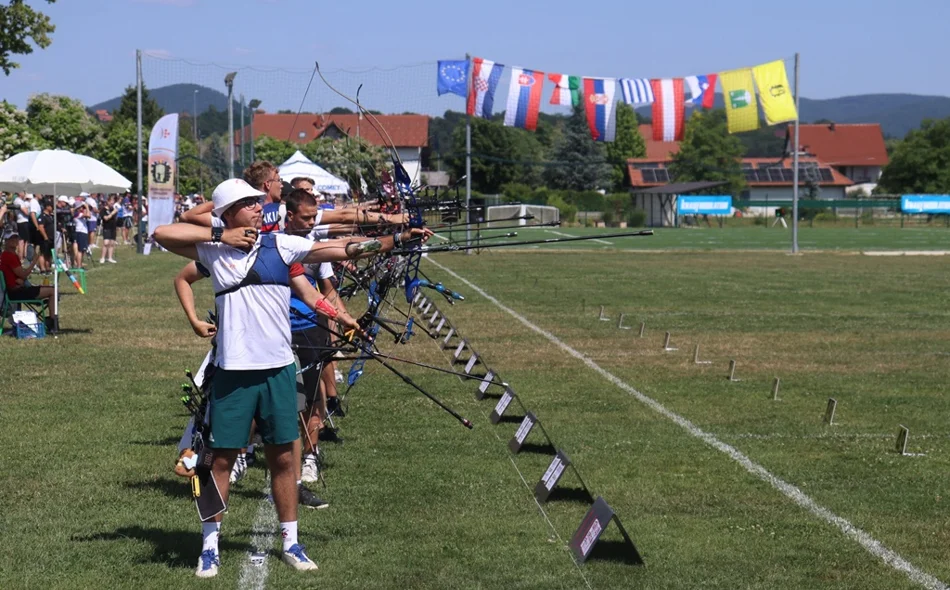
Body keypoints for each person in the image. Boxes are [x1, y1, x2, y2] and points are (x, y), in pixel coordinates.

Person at [154, 178, 431, 578]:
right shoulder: (213, 250)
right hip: (234, 373)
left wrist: (396, 238)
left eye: (255, 201)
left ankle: (291, 541)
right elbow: (162, 233)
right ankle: (210, 546)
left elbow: (342, 248)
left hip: (279, 370)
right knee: (221, 461)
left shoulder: (281, 245)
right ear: (229, 212)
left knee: (286, 458)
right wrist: (222, 233)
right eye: (247, 203)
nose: (257, 207)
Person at [1, 231, 57, 331]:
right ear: (6, 241)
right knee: (53, 291)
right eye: (11, 239)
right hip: (16, 292)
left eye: (16, 238)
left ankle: (51, 321)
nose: (14, 241)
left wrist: (21, 279)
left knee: (51, 290)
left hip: (17, 289)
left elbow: (20, 276)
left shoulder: (10, 255)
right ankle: (52, 323)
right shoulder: (9, 256)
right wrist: (34, 262)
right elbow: (23, 274)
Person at [100, 195, 120, 264]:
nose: (112, 203)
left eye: (113, 201)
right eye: (111, 201)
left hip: (113, 227)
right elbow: (105, 218)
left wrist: (115, 213)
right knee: (106, 243)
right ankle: (102, 257)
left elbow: (115, 219)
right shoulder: (103, 210)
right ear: (107, 202)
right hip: (106, 227)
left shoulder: (113, 209)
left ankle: (110, 258)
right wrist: (112, 213)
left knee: (112, 243)